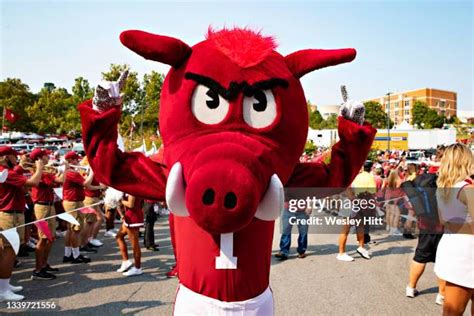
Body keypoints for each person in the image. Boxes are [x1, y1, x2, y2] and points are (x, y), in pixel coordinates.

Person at [434, 143, 473, 315]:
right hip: (467, 254)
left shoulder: (443, 189)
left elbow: (443, 221)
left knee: (452, 310)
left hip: (451, 247)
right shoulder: (468, 188)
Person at [0, 146, 43, 302]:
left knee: (9, 251)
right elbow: (34, 182)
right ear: (6, 157)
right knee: (9, 252)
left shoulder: (9, 172)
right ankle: (3, 290)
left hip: (12, 213)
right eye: (14, 156)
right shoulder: (6, 172)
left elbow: (23, 187)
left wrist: (21, 167)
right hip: (8, 214)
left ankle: (4, 284)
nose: (17, 158)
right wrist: (39, 168)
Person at [30, 148, 64, 280]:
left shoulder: (43, 171)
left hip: (49, 206)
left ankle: (44, 264)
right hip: (42, 207)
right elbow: (60, 181)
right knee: (43, 238)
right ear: (40, 158)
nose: (48, 157)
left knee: (50, 238)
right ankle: (38, 269)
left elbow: (57, 180)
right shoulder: (39, 172)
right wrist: (65, 169)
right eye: (45, 155)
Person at [62, 151, 96, 264]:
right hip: (74, 203)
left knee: (70, 229)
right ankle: (75, 255)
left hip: (71, 202)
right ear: (71, 161)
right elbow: (86, 184)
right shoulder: (72, 173)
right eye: (76, 159)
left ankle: (67, 254)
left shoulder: (70, 172)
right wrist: (92, 171)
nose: (78, 161)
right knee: (76, 230)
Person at [116, 193, 144, 276]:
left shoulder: (132, 189)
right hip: (129, 216)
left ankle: (137, 268)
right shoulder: (128, 188)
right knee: (119, 236)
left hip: (133, 217)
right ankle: (126, 261)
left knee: (134, 244)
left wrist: (120, 201)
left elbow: (131, 204)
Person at [336, 188, 368, 261]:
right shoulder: (347, 184)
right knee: (346, 230)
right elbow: (351, 197)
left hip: (352, 207)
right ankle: (341, 253)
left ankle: (361, 247)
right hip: (348, 208)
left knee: (360, 226)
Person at [351, 161, 377, 248]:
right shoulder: (369, 177)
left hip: (355, 199)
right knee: (366, 221)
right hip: (365, 200)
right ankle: (365, 239)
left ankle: (360, 239)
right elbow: (373, 191)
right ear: (371, 168)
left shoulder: (357, 175)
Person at [382, 170, 404, 236]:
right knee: (397, 214)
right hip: (395, 199)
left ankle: (389, 227)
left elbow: (382, 188)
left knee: (389, 213)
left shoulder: (386, 180)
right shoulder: (399, 181)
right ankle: (394, 229)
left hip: (387, 197)